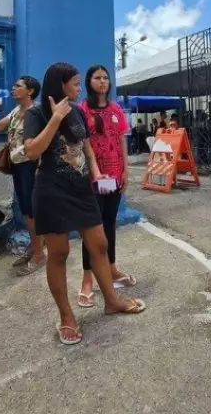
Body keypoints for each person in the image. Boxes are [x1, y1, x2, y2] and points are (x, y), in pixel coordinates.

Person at [23, 62, 145, 345]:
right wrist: (55, 119)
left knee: (99, 244)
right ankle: (66, 316)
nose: (80, 87)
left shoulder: (77, 111)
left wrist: (96, 172)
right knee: (59, 253)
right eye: (76, 83)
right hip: (52, 191)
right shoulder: (36, 113)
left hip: (81, 189)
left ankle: (111, 301)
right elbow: (31, 151)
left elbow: (86, 149)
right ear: (60, 84)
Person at [77, 65, 135, 308]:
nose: (102, 81)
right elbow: (81, 143)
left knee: (109, 223)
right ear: (89, 82)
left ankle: (111, 268)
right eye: (96, 78)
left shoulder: (116, 109)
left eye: (105, 78)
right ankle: (87, 279)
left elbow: (122, 139)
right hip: (92, 176)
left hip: (114, 174)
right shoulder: (82, 109)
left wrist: (125, 170)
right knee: (92, 227)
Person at [0, 75, 44, 275]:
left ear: (30, 91)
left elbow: (47, 141)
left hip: (32, 165)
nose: (13, 89)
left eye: (18, 86)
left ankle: (39, 254)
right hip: (19, 165)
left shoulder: (37, 112)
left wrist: (40, 168)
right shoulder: (16, 111)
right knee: (27, 209)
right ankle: (35, 248)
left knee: (32, 209)